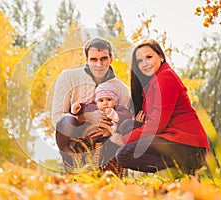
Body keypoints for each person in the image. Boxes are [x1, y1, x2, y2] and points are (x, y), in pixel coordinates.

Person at [110, 39, 210, 176]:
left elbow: (157, 125)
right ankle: (177, 173)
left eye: (149, 57)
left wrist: (123, 140)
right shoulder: (152, 83)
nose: (144, 64)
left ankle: (181, 172)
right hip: (173, 139)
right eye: (139, 61)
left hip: (189, 146)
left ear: (161, 57)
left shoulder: (166, 77)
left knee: (124, 154)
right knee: (129, 125)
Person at [52, 37, 131, 175]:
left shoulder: (122, 89)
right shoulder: (68, 78)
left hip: (106, 138)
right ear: (86, 60)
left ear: (111, 59)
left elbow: (125, 122)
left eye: (104, 59)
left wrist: (110, 130)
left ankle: (109, 172)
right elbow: (57, 117)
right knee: (64, 121)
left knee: (118, 137)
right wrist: (84, 116)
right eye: (94, 59)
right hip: (77, 134)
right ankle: (74, 167)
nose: (99, 64)